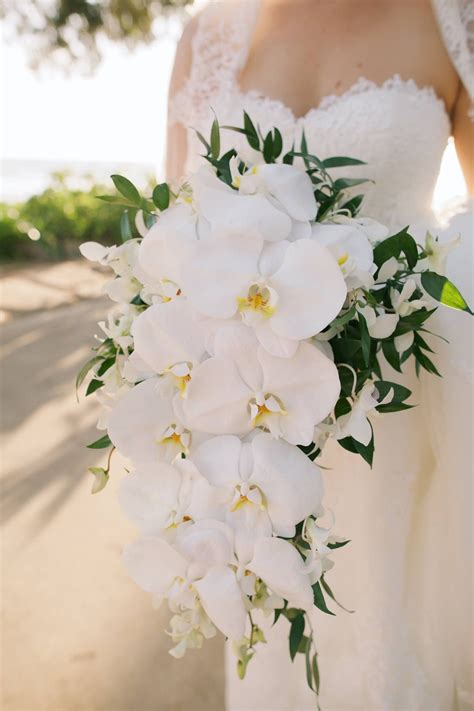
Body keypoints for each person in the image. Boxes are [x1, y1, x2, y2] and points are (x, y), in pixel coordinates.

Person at [165, 1, 474, 708]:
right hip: (254, 441)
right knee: (278, 657)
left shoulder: (451, 18)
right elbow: (177, 235)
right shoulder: (204, 37)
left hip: (400, 418)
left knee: (391, 642)